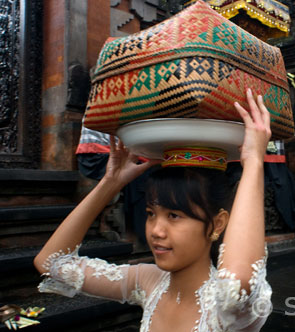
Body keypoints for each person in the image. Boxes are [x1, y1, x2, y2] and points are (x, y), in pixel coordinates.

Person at [33, 89, 273, 331]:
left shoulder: (229, 308)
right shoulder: (148, 282)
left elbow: (236, 284)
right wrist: (110, 184)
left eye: (174, 215)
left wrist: (253, 161)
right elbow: (50, 263)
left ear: (218, 224)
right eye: (151, 214)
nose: (156, 231)